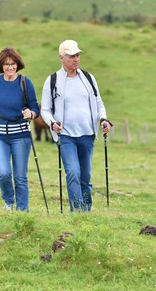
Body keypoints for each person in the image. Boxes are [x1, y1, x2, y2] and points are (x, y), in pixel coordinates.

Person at [40, 40, 111, 212]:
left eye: (77, 55)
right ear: (61, 58)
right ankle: (77, 211)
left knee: (85, 177)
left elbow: (99, 102)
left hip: (87, 134)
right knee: (73, 173)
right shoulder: (53, 80)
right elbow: (45, 109)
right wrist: (52, 123)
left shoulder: (88, 78)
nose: (76, 59)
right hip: (66, 136)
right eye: (71, 56)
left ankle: (86, 210)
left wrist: (103, 119)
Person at [0, 47, 40, 212]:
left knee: (20, 177)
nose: (10, 67)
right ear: (1, 66)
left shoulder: (25, 82)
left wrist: (30, 113)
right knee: (3, 172)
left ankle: (23, 211)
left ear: (18, 64)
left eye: (13, 64)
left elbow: (35, 108)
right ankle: (9, 202)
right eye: (6, 64)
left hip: (21, 135)